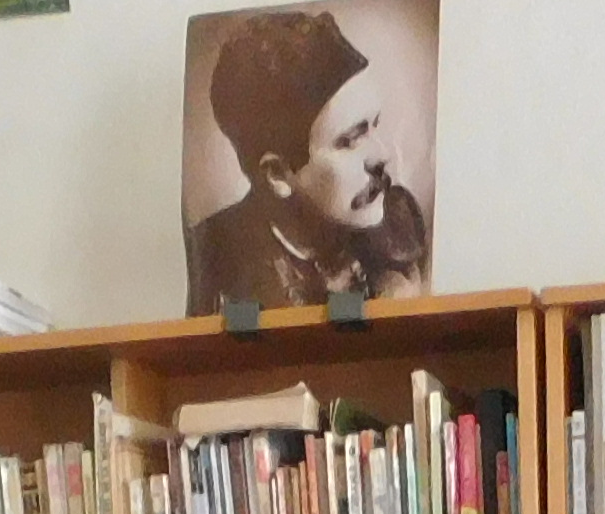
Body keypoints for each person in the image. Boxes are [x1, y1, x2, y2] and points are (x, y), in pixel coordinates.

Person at [182, 8, 429, 314]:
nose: (383, 155)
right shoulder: (216, 262)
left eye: (374, 126)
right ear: (277, 174)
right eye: (349, 141)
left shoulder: (401, 222)